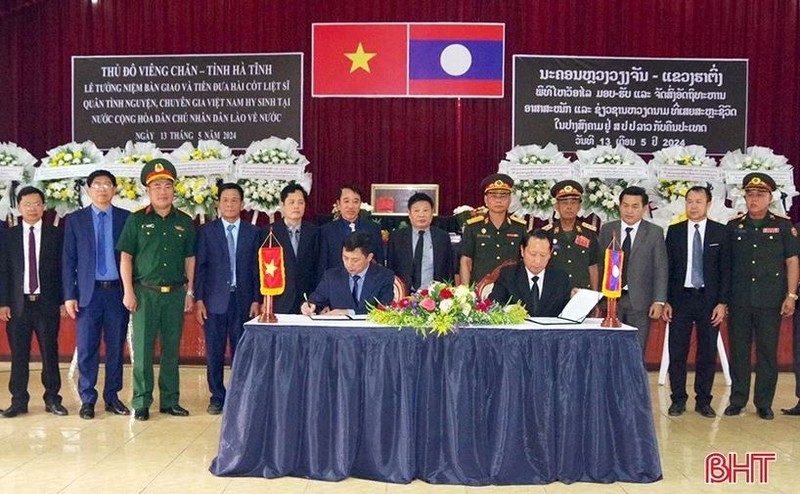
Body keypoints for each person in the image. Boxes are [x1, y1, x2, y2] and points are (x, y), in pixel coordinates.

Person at [117, 158, 196, 421]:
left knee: (172, 350)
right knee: (142, 350)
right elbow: (126, 257)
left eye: (167, 186)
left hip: (175, 294)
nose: (163, 191)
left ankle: (170, 401)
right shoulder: (137, 220)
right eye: (156, 186)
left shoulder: (185, 222)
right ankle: (141, 401)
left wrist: (190, 291)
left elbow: (190, 259)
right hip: (144, 294)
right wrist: (128, 291)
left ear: (174, 189)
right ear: (148, 191)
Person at [724, 173, 799, 420]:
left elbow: (792, 261)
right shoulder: (735, 226)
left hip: (770, 300)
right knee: (739, 352)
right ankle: (738, 399)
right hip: (740, 299)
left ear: (770, 197)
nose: (754, 199)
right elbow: (726, 265)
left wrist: (791, 295)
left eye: (760, 195)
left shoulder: (783, 226)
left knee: (767, 352)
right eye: (750, 194)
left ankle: (764, 403)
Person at [62, 170, 131, 420]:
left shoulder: (126, 218)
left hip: (117, 293)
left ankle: (112, 397)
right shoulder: (75, 220)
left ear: (114, 189)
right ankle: (87, 399)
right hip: (87, 296)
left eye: (107, 184)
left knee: (115, 348)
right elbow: (68, 260)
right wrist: (69, 295)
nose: (102, 189)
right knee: (88, 348)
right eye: (97, 185)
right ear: (89, 190)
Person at [662, 186, 731, 418]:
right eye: (689, 201)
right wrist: (667, 301)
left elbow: (726, 271)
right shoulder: (674, 232)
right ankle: (678, 399)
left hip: (709, 301)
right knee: (677, 351)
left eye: (698, 201)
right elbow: (668, 270)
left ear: (708, 204)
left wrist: (722, 302)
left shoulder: (721, 232)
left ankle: (704, 401)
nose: (693, 206)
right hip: (680, 299)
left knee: (707, 352)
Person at [194, 183, 261, 415]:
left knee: (241, 351)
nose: (230, 204)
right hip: (214, 301)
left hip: (243, 301)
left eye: (235, 200)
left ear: (242, 204)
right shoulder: (206, 231)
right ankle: (217, 397)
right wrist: (199, 299)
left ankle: (240, 395)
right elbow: (200, 268)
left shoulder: (254, 233)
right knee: (214, 350)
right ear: (218, 204)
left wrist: (256, 299)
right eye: (225, 200)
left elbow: (256, 269)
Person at [0, 186, 67, 418]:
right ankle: (18, 401)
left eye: (37, 204)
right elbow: (3, 271)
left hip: (46, 303)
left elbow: (63, 271)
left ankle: (53, 399)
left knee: (50, 352)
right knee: (19, 354)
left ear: (44, 206)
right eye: (27, 204)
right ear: (18, 207)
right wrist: (3, 302)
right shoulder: (8, 236)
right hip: (18, 305)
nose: (32, 208)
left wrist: (63, 300)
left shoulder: (56, 234)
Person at [598, 186, 668, 353]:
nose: (629, 211)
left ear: (644, 209)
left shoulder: (654, 232)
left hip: (640, 301)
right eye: (625, 205)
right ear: (619, 206)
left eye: (635, 206)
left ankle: (633, 380)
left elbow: (660, 267)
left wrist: (659, 301)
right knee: (610, 349)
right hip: (611, 300)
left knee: (636, 349)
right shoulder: (608, 229)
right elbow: (600, 265)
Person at [302, 231, 394, 316]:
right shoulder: (331, 276)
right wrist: (310, 306)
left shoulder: (384, 276)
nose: (349, 264)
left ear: (369, 257)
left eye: (355, 260)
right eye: (345, 258)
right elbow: (316, 301)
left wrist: (349, 313)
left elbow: (384, 309)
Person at [459, 173, 527, 286]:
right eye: (494, 196)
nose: (498, 200)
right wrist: (466, 291)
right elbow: (466, 261)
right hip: (480, 289)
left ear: (510, 199)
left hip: (511, 289)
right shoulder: (473, 227)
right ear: (486, 199)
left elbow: (526, 260)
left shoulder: (519, 227)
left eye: (503, 196)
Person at [489, 230, 571, 317]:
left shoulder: (560, 278)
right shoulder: (508, 275)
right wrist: (510, 311)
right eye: (533, 254)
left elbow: (568, 311)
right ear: (522, 251)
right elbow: (494, 303)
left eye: (543, 255)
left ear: (550, 253)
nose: (537, 261)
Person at [537, 180, 602, 290]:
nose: (569, 207)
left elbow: (593, 266)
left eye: (573, 202)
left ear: (579, 206)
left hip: (582, 294)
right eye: (564, 203)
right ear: (557, 206)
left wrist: (594, 296)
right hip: (553, 293)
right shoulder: (546, 234)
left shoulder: (589, 234)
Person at [387, 192, 453, 292]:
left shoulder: (442, 237)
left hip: (434, 295)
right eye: (416, 210)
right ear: (409, 213)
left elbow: (449, 270)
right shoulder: (397, 237)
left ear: (432, 212)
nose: (421, 214)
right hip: (404, 295)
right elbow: (390, 268)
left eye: (426, 210)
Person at [271, 183, 320, 314]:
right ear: (282, 205)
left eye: (300, 202)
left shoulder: (315, 232)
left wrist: (318, 299)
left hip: (308, 301)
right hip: (278, 301)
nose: (296, 206)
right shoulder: (269, 232)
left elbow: (319, 267)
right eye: (291, 202)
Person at [319, 184, 384, 271]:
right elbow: (322, 265)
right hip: (336, 282)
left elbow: (379, 262)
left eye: (355, 202)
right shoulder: (326, 231)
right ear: (338, 204)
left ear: (360, 204)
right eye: (346, 201)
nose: (351, 206)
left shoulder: (373, 228)